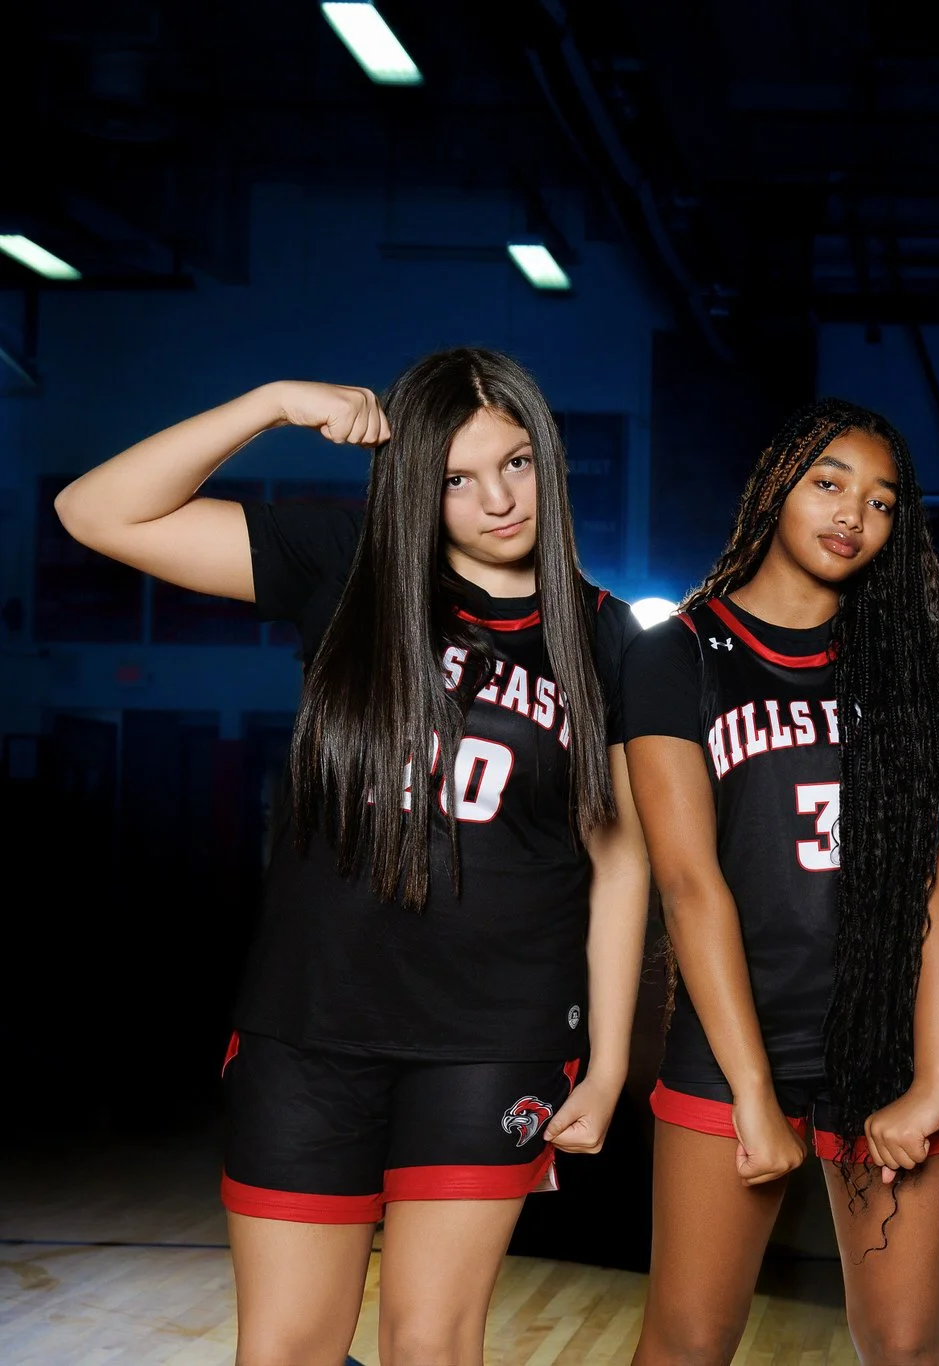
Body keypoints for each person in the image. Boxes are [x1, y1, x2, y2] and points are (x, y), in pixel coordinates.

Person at [53, 349, 649, 1366]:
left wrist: (611, 1058)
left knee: (431, 1344)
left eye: (517, 463)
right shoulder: (346, 563)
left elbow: (620, 857)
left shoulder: (608, 638)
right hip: (310, 1024)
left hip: (492, 1037)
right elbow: (96, 511)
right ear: (416, 481)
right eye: (457, 478)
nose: (499, 500)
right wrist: (270, 402)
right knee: (284, 1347)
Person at [621, 399, 939, 1366]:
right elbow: (691, 887)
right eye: (830, 483)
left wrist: (936, 1084)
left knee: (909, 1345)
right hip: (739, 1035)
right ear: (775, 485)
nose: (854, 513)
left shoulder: (909, 664)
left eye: (882, 501)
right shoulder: (676, 653)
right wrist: (752, 1094)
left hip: (887, 1041)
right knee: (687, 1343)